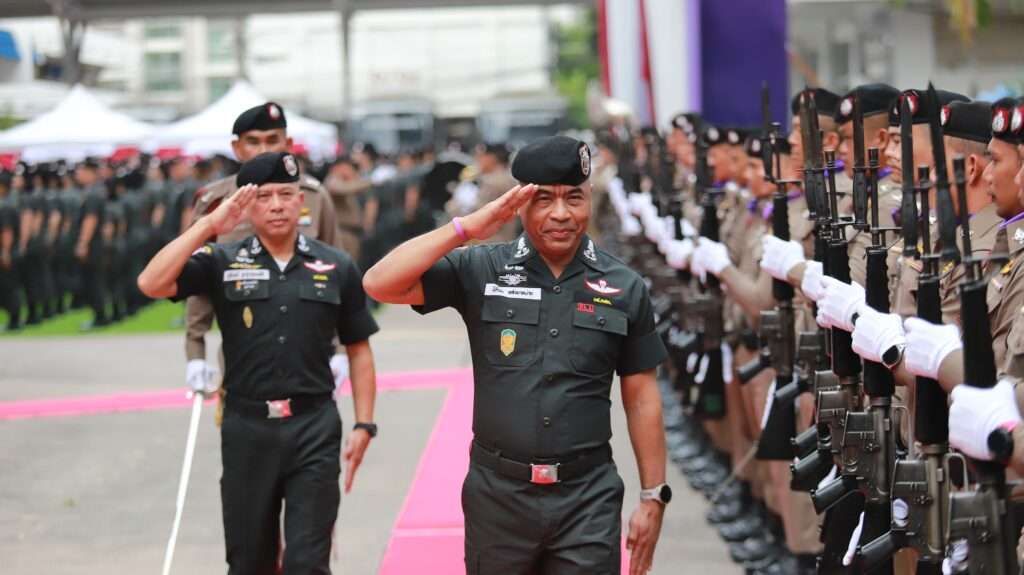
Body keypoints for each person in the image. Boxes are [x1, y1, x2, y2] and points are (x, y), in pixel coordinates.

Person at [363, 135, 670, 575]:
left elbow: (641, 399)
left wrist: (652, 496)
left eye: (574, 198)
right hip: (498, 499)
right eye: (543, 199)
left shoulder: (623, 286)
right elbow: (379, 283)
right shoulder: (483, 269)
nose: (561, 213)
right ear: (519, 203)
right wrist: (467, 229)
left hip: (587, 498)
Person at [137, 151, 379, 575]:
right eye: (264, 197)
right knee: (249, 561)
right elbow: (151, 282)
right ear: (247, 206)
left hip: (313, 427)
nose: (277, 205)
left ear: (301, 201)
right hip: (247, 428)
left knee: (308, 562)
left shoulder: (336, 266)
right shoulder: (222, 260)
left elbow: (358, 348)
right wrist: (209, 226)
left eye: (286, 194)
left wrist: (364, 423)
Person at [186, 102, 341, 398]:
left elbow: (338, 272)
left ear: (288, 144)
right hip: (241, 355)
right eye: (253, 141)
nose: (263, 150)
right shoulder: (216, 202)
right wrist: (195, 351)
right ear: (237, 148)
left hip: (309, 354)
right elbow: (198, 280)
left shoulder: (313, 196)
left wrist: (342, 348)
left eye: (272, 140)